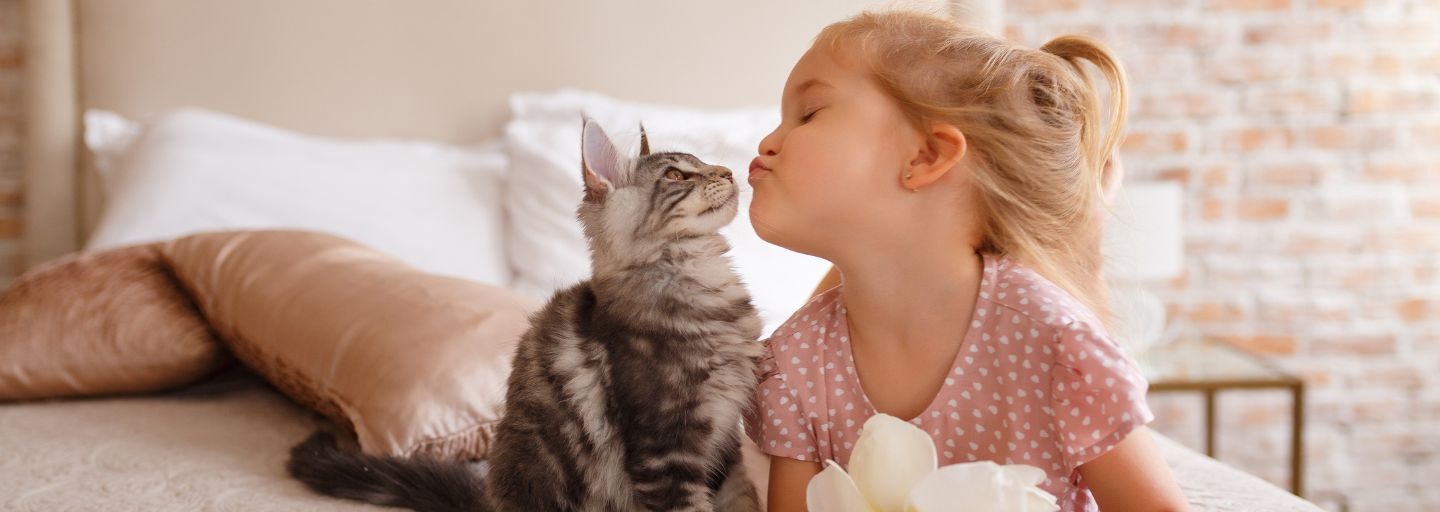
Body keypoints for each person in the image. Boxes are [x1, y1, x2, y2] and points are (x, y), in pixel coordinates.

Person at [743, 9, 1189, 511]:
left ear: (927, 157)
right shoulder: (793, 363)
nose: (767, 142)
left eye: (809, 114)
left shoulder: (1054, 343)